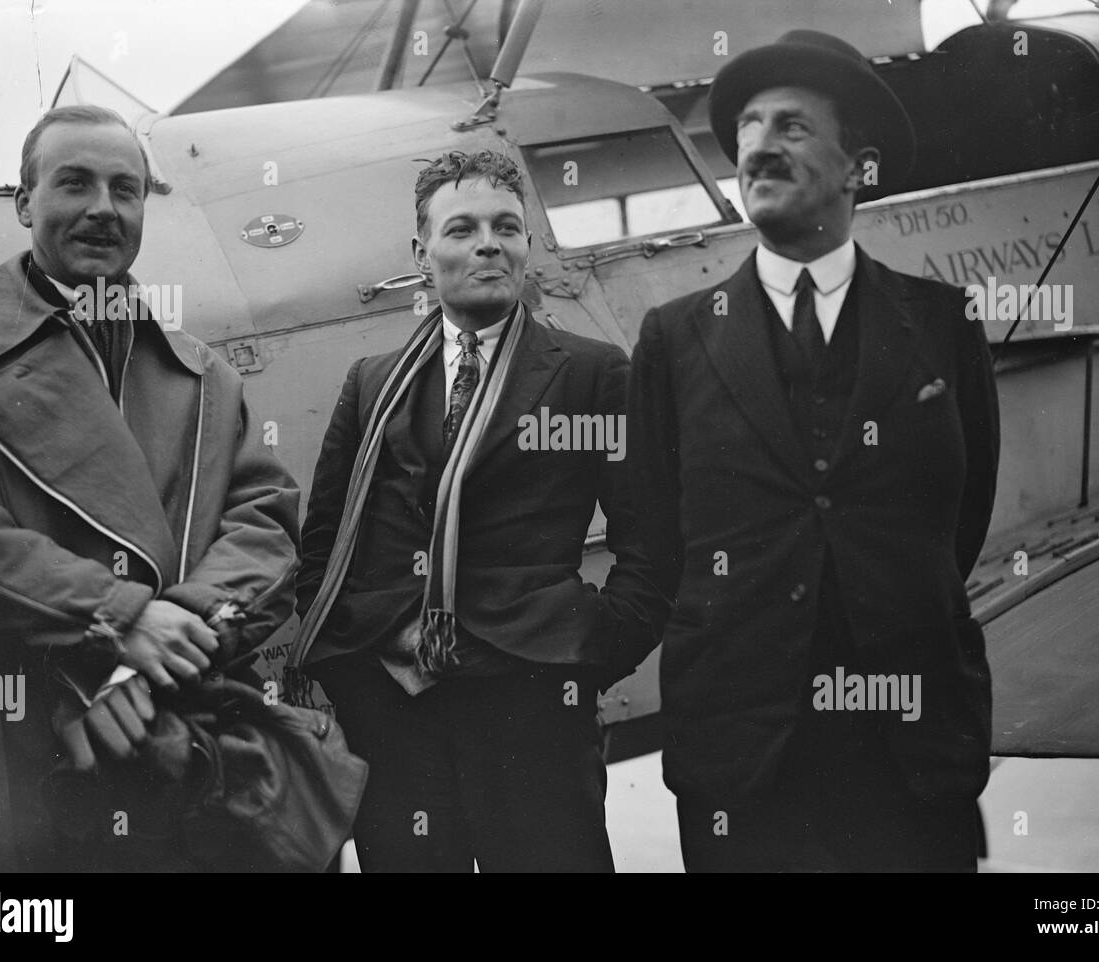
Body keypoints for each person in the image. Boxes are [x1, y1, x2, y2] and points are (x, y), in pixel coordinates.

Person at [627, 30, 1000, 871]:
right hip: (742, 756)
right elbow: (657, 532)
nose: (760, 143)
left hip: (910, 744)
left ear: (859, 166)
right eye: (749, 128)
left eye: (792, 126)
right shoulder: (674, 339)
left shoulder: (943, 323)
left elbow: (959, 518)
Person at [0, 105, 301, 872]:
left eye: (124, 189)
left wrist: (169, 638)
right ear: (25, 203)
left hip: (185, 737)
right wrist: (117, 617)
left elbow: (266, 525)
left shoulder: (202, 372)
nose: (103, 208)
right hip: (34, 754)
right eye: (75, 184)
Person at [292, 149, 668, 872]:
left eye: (507, 227)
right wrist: (352, 677)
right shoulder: (372, 384)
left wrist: (590, 656)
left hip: (535, 705)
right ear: (421, 254)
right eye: (461, 229)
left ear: (526, 246)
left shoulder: (591, 374)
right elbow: (326, 546)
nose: (488, 243)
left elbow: (653, 544)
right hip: (395, 712)